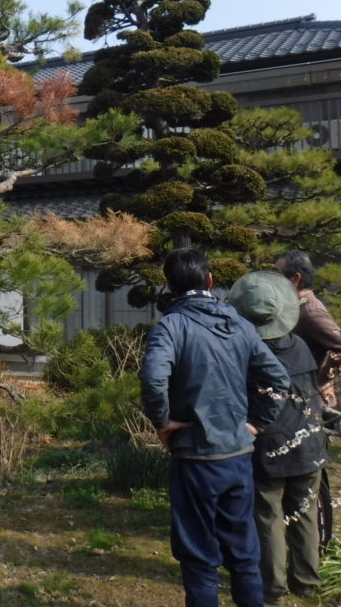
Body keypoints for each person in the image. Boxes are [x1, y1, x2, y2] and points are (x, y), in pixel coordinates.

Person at [140, 248, 290, 607]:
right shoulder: (239, 324)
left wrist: (163, 423)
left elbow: (152, 379)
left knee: (199, 555)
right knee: (244, 553)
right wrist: (255, 424)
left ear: (170, 285)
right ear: (210, 280)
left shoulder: (171, 326)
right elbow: (278, 380)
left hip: (195, 457)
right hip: (237, 454)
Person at [228, 271, 327, 603]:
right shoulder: (299, 345)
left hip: (269, 446)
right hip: (309, 441)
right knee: (305, 512)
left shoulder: (246, 353)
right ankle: (307, 583)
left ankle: (273, 588)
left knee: (268, 517)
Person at [274, 250, 341, 407]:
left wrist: (321, 381)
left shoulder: (311, 313)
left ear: (295, 279)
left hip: (312, 402)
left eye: (276, 274)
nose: (272, 280)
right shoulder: (297, 307)